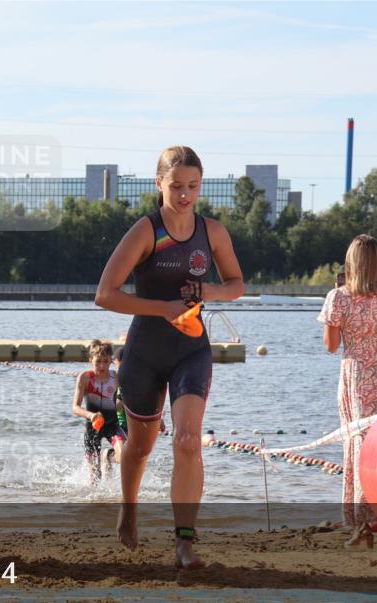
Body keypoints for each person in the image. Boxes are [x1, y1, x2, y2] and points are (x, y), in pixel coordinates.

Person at [95, 146, 244, 569]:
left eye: (192, 186)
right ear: (158, 184)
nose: (184, 195)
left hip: (191, 350)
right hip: (145, 351)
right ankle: (129, 508)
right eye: (175, 186)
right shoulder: (146, 231)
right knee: (140, 447)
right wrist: (163, 308)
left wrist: (208, 292)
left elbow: (236, 284)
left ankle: (184, 543)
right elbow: (105, 294)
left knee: (187, 439)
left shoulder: (212, 231)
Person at [318, 234, 377, 549]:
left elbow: (331, 346)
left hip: (358, 378)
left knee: (360, 448)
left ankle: (364, 525)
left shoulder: (340, 297)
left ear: (351, 264)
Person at [72, 340, 126, 483]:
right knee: (95, 479)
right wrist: (91, 415)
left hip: (112, 425)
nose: (102, 366)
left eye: (106, 361)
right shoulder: (85, 378)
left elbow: (128, 400)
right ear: (91, 360)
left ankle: (107, 455)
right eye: (98, 362)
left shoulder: (116, 378)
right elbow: (75, 408)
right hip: (93, 428)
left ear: (111, 362)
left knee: (124, 457)